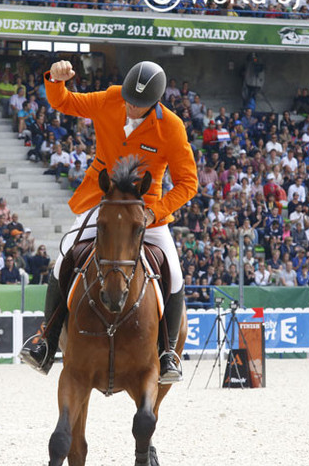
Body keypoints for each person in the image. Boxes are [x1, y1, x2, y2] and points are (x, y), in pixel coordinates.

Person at [20, 60, 198, 384]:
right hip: (101, 205)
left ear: (155, 103)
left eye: (139, 104)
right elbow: (64, 102)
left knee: (175, 274)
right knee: (63, 259)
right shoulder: (111, 98)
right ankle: (45, 340)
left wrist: (153, 213)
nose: (130, 106)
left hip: (146, 213)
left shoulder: (170, 127)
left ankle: (168, 353)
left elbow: (188, 183)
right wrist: (55, 80)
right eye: (129, 99)